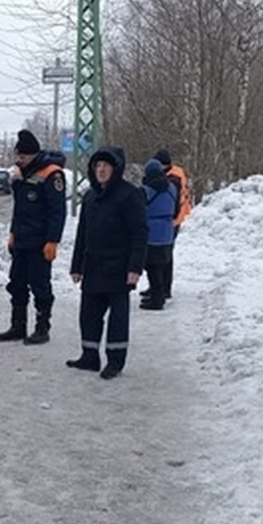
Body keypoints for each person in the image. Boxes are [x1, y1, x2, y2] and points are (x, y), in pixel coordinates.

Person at [67, 146, 148, 380]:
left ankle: (115, 361)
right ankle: (89, 356)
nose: (101, 170)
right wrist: (76, 266)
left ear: (116, 169)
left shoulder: (129, 195)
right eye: (97, 166)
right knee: (88, 315)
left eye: (106, 166)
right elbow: (82, 233)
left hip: (119, 269)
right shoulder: (91, 196)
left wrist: (135, 267)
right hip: (93, 267)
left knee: (118, 319)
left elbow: (139, 233)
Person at [0, 129, 67, 345]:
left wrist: (53, 240)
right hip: (22, 239)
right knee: (16, 283)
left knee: (40, 285)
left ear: (33, 155)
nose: (19, 160)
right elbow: (20, 209)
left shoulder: (52, 174)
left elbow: (57, 211)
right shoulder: (22, 174)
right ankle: (18, 326)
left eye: (22, 157)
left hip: (41, 242)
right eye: (18, 156)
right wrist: (13, 233)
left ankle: (42, 328)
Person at [143, 148, 192, 304]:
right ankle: (159, 288)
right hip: (172, 220)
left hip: (171, 221)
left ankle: (162, 289)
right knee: (163, 256)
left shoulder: (172, 179)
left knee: (161, 257)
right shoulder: (174, 177)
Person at [139, 159, 177, 310]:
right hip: (168, 230)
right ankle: (160, 294)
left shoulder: (147, 190)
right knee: (162, 266)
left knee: (152, 267)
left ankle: (156, 300)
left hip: (152, 232)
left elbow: (139, 208)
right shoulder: (172, 187)